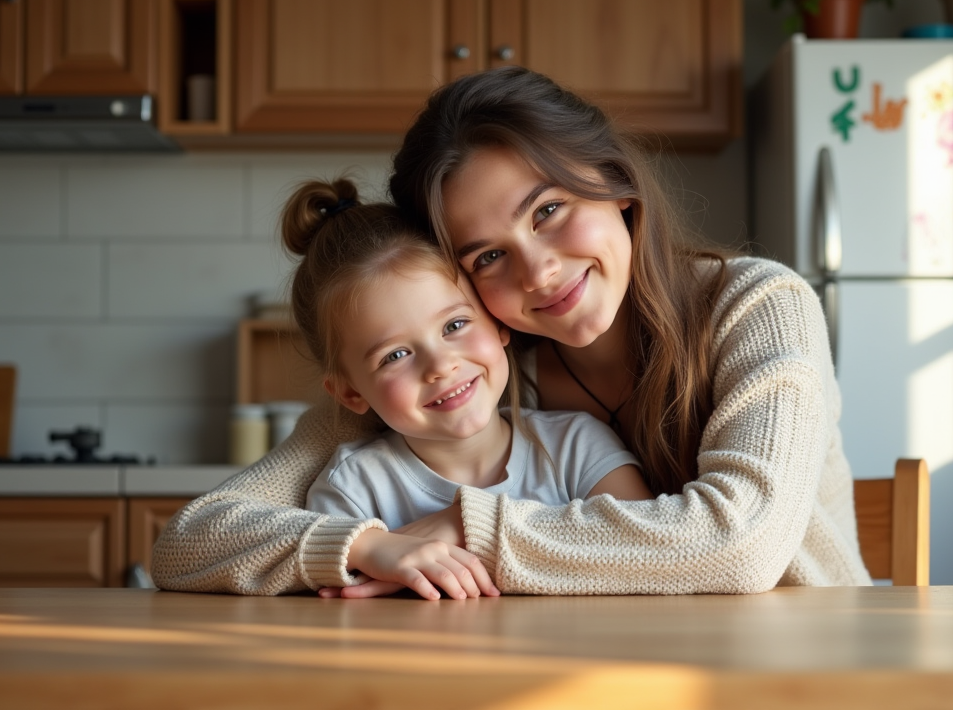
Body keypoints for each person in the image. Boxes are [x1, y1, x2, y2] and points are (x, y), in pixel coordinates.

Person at [151, 67, 872, 598]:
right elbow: (189, 543)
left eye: (549, 210)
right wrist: (366, 545)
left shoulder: (756, 305)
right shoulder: (477, 373)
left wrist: (465, 530)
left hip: (802, 666)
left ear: (617, 183)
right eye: (488, 255)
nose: (539, 272)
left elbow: (740, 547)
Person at [292, 179, 653, 598]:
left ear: (497, 324)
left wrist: (469, 527)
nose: (441, 365)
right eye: (394, 355)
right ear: (350, 393)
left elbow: (651, 540)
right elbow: (324, 597)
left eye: (455, 326)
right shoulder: (352, 487)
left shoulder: (576, 446)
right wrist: (366, 550)